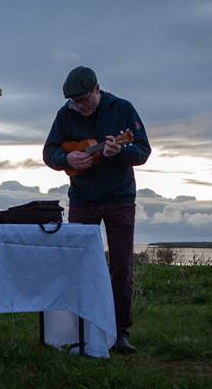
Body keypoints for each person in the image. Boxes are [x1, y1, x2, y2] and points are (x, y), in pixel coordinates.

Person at [43, 66, 151, 354]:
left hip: (119, 199)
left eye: (84, 100)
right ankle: (81, 328)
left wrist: (122, 152)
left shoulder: (124, 109)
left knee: (121, 266)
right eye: (74, 102)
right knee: (79, 266)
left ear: (97, 89)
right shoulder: (65, 115)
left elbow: (142, 150)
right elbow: (49, 153)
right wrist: (67, 157)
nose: (80, 107)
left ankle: (120, 332)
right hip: (82, 200)